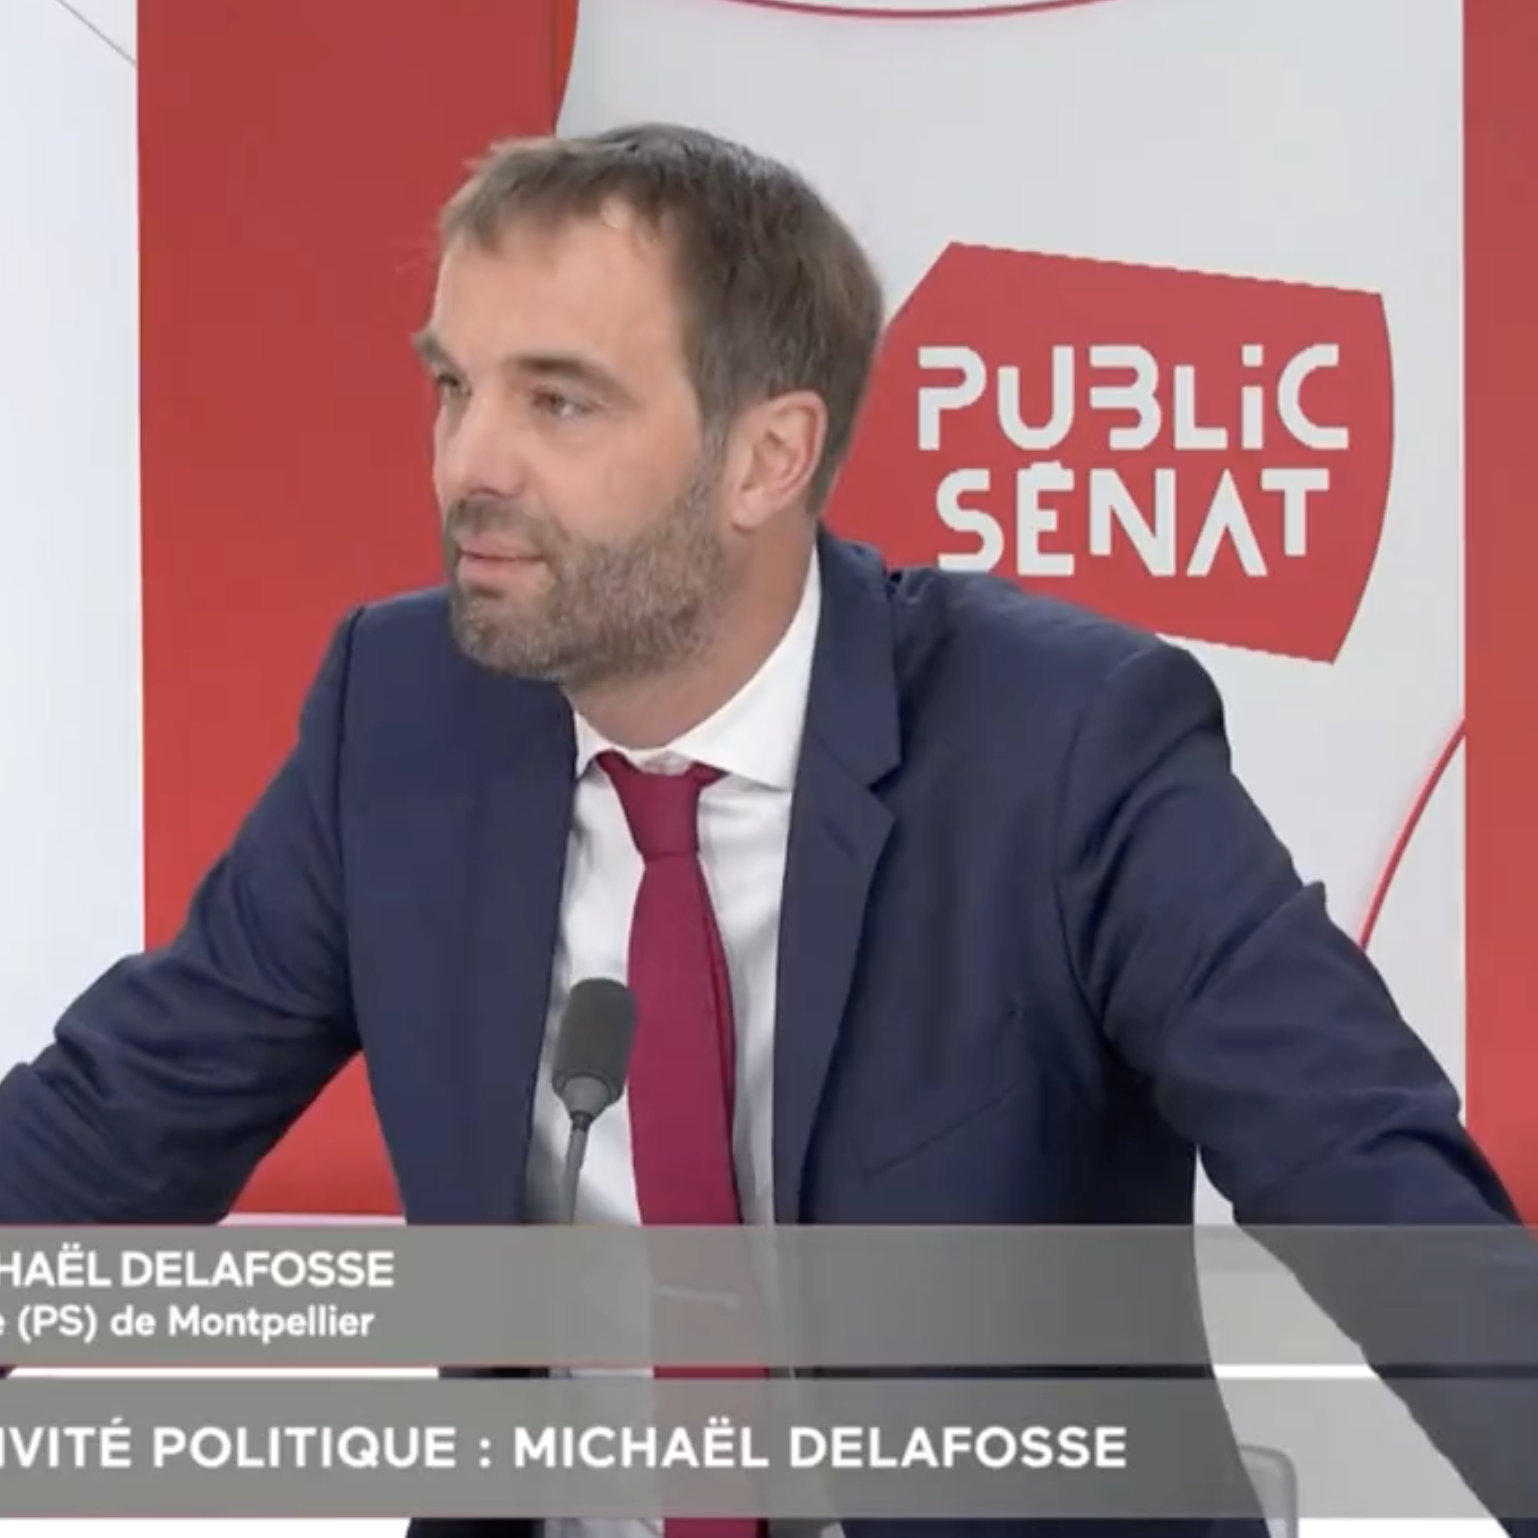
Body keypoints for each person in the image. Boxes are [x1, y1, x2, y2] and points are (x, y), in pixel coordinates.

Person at [0, 123, 1533, 1538]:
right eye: (454, 387)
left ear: (768, 455)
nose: (468, 464)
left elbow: (1370, 1184)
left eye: (557, 400)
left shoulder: (1065, 741)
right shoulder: (398, 712)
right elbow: (113, 1125)